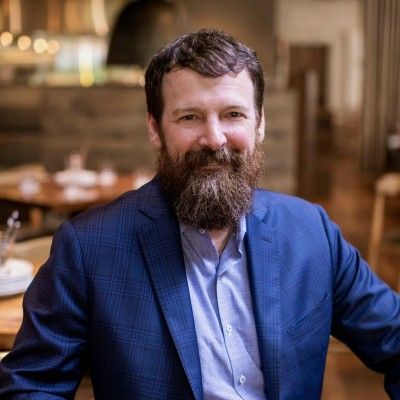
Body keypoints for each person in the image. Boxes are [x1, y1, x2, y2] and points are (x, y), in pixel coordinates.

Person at [0, 29, 399, 400]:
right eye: (189, 117)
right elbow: (31, 387)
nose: (214, 138)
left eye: (233, 114)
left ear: (260, 124)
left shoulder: (312, 233)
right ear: (155, 129)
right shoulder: (88, 248)